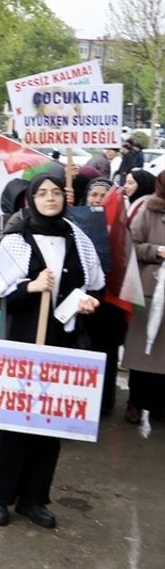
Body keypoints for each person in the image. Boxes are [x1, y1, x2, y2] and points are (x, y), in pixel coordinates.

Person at [0, 175, 104, 528]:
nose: (50, 198)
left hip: (63, 344)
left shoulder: (78, 239)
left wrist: (87, 302)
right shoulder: (17, 240)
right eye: (41, 193)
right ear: (31, 199)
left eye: (55, 193)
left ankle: (34, 499)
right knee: (17, 425)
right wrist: (30, 286)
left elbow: (93, 284)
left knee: (51, 425)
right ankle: (1, 497)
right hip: (24, 342)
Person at [122, 170, 165, 425]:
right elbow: (133, 244)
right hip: (151, 289)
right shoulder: (149, 208)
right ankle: (135, 403)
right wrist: (157, 251)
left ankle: (160, 406)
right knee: (142, 353)